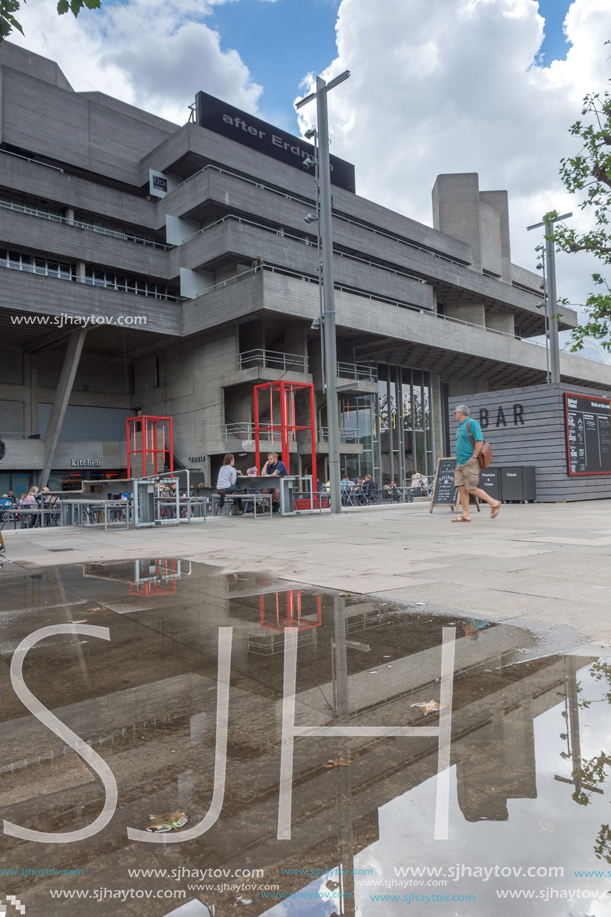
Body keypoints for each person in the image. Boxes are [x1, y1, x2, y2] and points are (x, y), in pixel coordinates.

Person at [452, 404, 500, 522]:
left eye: (455, 412)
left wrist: (474, 457)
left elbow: (479, 440)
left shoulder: (472, 423)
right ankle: (466, 515)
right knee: (461, 488)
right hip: (460, 463)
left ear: (460, 413)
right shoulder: (460, 426)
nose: (454, 415)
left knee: (470, 488)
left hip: (469, 462)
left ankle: (494, 502)